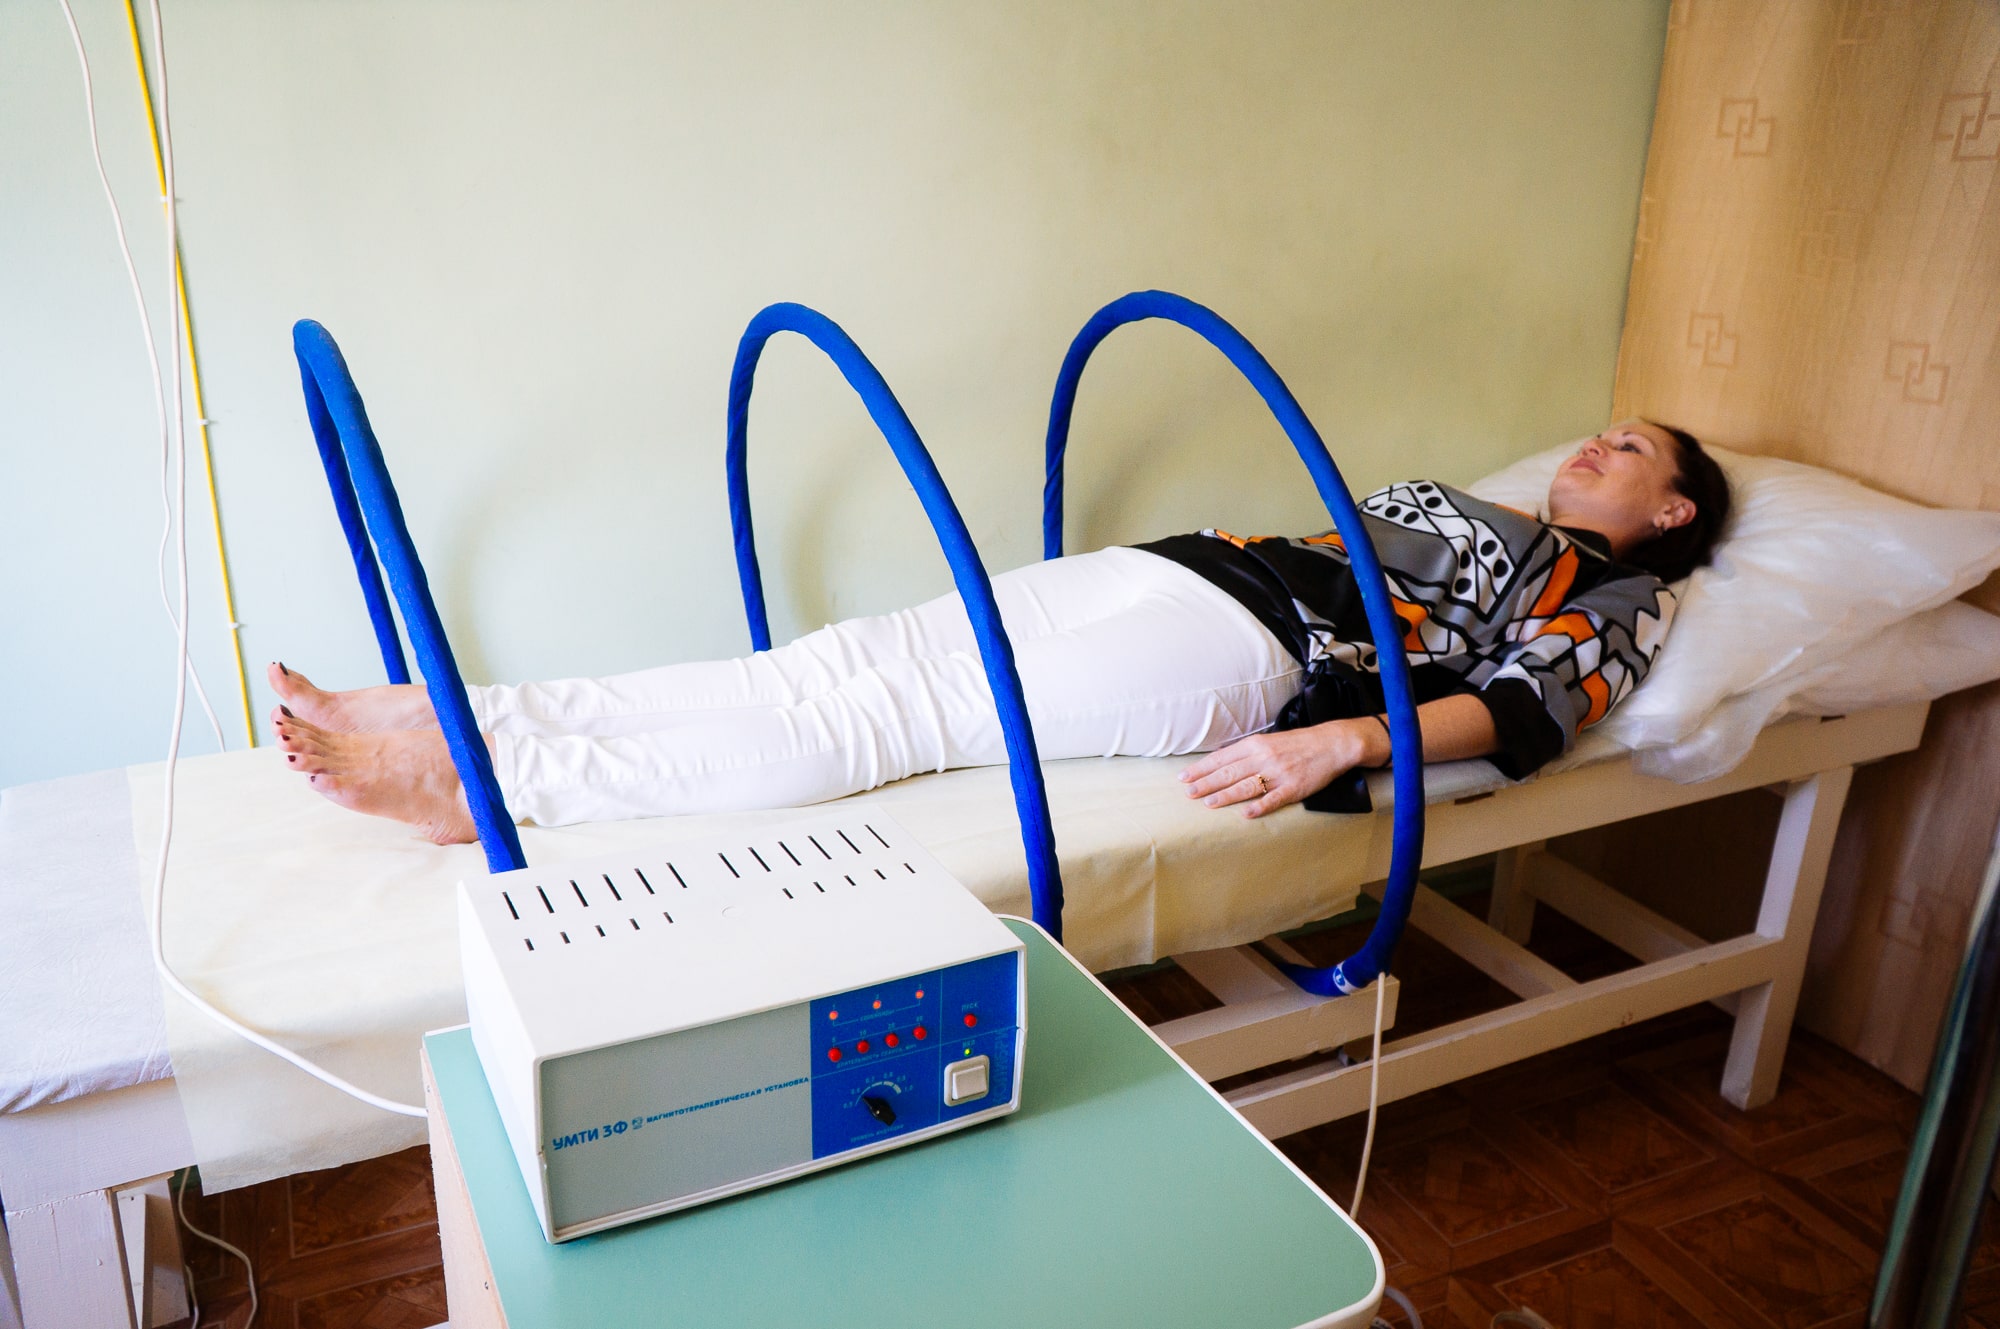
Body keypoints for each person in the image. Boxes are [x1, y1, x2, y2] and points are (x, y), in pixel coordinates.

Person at [271, 420, 1729, 845]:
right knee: (827, 666)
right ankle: (464, 722)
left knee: (881, 719)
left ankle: (496, 791)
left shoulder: (1621, 597)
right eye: (1601, 430)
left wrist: (1348, 742)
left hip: (1254, 656)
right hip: (1187, 572)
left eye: (1633, 449)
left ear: (1671, 513)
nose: (1597, 444)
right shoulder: (1490, 505)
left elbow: (1534, 712)